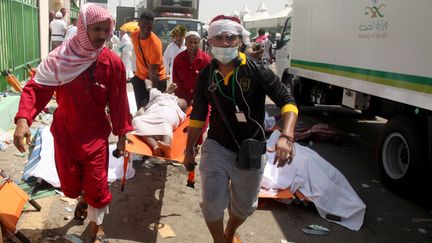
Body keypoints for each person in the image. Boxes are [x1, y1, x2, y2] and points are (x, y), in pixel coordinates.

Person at [13, 4, 132, 242]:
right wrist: (24, 119)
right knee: (71, 186)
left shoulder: (113, 64)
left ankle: (95, 226)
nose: (102, 35)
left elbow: (119, 103)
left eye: (106, 30)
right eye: (96, 29)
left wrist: (122, 136)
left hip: (96, 138)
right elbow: (37, 89)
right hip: (65, 137)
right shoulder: (60, 60)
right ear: (83, 29)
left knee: (97, 187)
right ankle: (82, 198)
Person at [182, 15, 298, 243]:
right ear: (210, 41)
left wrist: (287, 136)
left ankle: (229, 231)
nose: (225, 43)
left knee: (245, 207)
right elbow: (197, 115)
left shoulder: (256, 71)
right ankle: (219, 241)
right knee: (212, 204)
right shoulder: (206, 75)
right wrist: (188, 150)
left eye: (231, 37)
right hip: (216, 146)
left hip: (251, 149)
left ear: (240, 41)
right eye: (219, 37)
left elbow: (287, 101)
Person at [132, 82, 188, 157]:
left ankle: (166, 145)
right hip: (155, 113)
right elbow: (148, 84)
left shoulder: (171, 99)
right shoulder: (157, 95)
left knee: (165, 122)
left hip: (167, 110)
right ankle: (156, 147)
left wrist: (150, 86)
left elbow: (148, 83)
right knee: (137, 121)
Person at [131, 10, 167, 108]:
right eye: (143, 27)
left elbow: (153, 73)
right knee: (141, 109)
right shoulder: (134, 36)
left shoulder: (155, 44)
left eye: (149, 28)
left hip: (156, 80)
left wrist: (153, 94)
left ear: (153, 27)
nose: (146, 30)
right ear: (138, 23)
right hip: (140, 78)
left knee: (152, 110)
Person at [172, 31, 211, 105]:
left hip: (201, 101)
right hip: (183, 101)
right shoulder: (178, 59)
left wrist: (198, 99)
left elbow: (207, 83)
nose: (193, 45)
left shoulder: (206, 60)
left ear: (199, 44)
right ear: (185, 43)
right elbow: (176, 82)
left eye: (195, 42)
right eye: (190, 42)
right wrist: (185, 100)